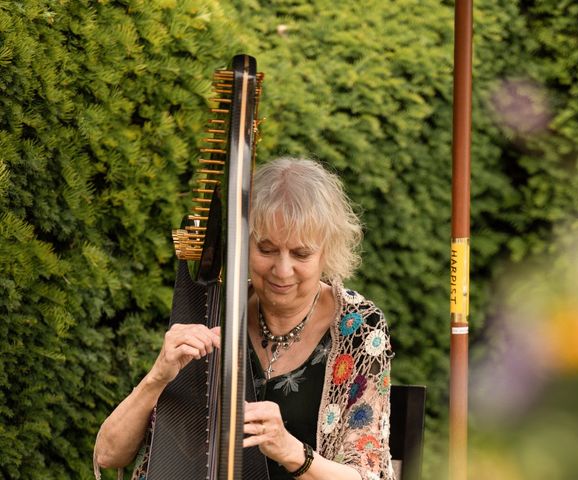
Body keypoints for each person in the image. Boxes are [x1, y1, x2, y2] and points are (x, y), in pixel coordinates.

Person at [94, 157, 395, 480]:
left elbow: (367, 476)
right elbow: (109, 455)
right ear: (243, 246)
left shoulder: (359, 328)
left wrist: (291, 451)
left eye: (301, 254)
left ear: (327, 251)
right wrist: (158, 377)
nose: (282, 270)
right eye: (266, 249)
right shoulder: (214, 312)